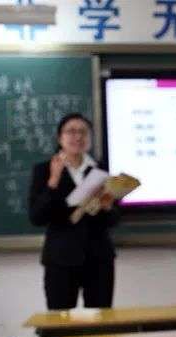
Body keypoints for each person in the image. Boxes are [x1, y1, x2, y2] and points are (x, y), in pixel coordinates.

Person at [28, 113, 119, 310]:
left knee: (101, 321)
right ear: (60, 138)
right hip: (60, 259)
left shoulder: (102, 170)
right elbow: (36, 217)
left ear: (90, 138)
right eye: (71, 131)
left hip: (98, 258)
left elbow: (114, 219)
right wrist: (53, 181)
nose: (77, 137)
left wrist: (107, 206)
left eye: (83, 132)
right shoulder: (44, 170)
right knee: (60, 321)